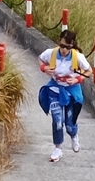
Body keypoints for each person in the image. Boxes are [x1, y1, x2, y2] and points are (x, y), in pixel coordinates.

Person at [38, 27, 91, 161]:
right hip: (55, 88)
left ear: (72, 46)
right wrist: (44, 68)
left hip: (72, 90)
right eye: (62, 46)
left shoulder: (77, 57)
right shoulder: (51, 53)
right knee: (57, 119)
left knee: (69, 124)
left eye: (67, 47)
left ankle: (74, 135)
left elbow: (89, 71)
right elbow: (40, 59)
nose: (64, 50)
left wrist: (77, 79)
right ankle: (58, 148)